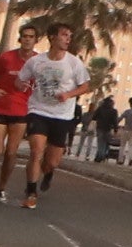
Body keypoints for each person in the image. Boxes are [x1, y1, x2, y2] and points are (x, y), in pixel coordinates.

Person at [16, 28, 94, 204]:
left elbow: (85, 86)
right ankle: (31, 191)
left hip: (63, 116)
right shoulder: (36, 61)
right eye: (64, 35)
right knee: (36, 152)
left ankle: (48, 172)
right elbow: (20, 79)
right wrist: (20, 84)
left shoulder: (74, 63)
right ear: (52, 38)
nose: (68, 39)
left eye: (70, 36)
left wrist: (68, 95)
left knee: (51, 162)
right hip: (38, 111)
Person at [0, 40, 34, 199]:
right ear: (20, 39)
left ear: (36, 40)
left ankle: (1, 186)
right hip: (1, 108)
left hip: (22, 110)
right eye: (25, 36)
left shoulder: (38, 60)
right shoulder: (7, 57)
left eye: (31, 36)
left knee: (11, 153)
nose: (28, 39)